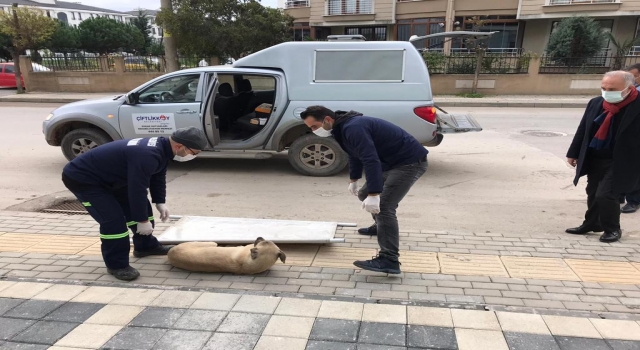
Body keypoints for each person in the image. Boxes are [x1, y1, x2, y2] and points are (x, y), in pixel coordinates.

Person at [61, 127, 209, 281]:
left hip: (113, 178)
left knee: (142, 208)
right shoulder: (148, 154)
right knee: (113, 221)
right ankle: (117, 265)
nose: (193, 156)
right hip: (84, 179)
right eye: (194, 153)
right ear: (180, 146)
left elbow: (157, 175)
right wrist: (142, 221)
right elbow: (136, 189)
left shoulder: (163, 149)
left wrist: (159, 201)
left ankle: (145, 246)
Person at [301, 106, 428, 274]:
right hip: (391, 162)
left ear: (327, 120)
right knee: (363, 194)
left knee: (384, 207)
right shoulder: (341, 128)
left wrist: (374, 194)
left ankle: (389, 260)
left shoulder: (353, 127)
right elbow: (354, 154)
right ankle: (381, 227)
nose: (313, 131)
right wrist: (354, 179)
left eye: (314, 126)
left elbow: (370, 159)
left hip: (409, 163)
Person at [565, 71, 640, 243]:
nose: (607, 92)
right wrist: (573, 153)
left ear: (629, 88)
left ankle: (613, 229)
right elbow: (583, 129)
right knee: (592, 192)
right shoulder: (597, 103)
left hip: (624, 160)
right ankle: (592, 223)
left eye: (612, 89)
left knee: (605, 194)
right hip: (597, 156)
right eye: (603, 88)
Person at [618, 63, 640, 214]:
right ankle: (620, 194)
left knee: (635, 170)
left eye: (633, 77)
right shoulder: (629, 91)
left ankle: (633, 200)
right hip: (627, 136)